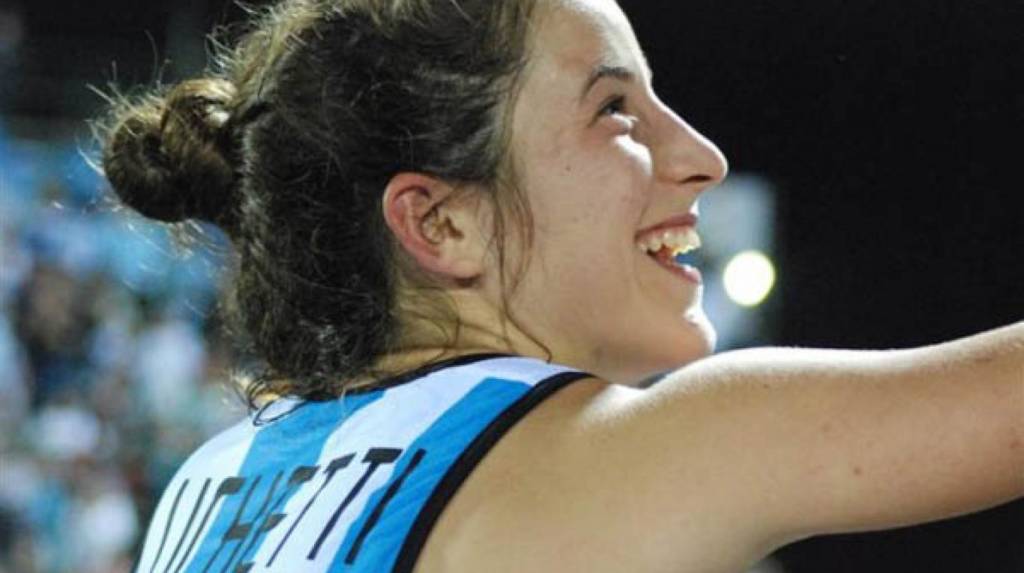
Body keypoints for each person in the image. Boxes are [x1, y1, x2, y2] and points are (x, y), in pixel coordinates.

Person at [97, 0, 1024, 571]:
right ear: (441, 223)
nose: (702, 155)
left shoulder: (202, 487)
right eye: (614, 109)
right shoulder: (637, 450)